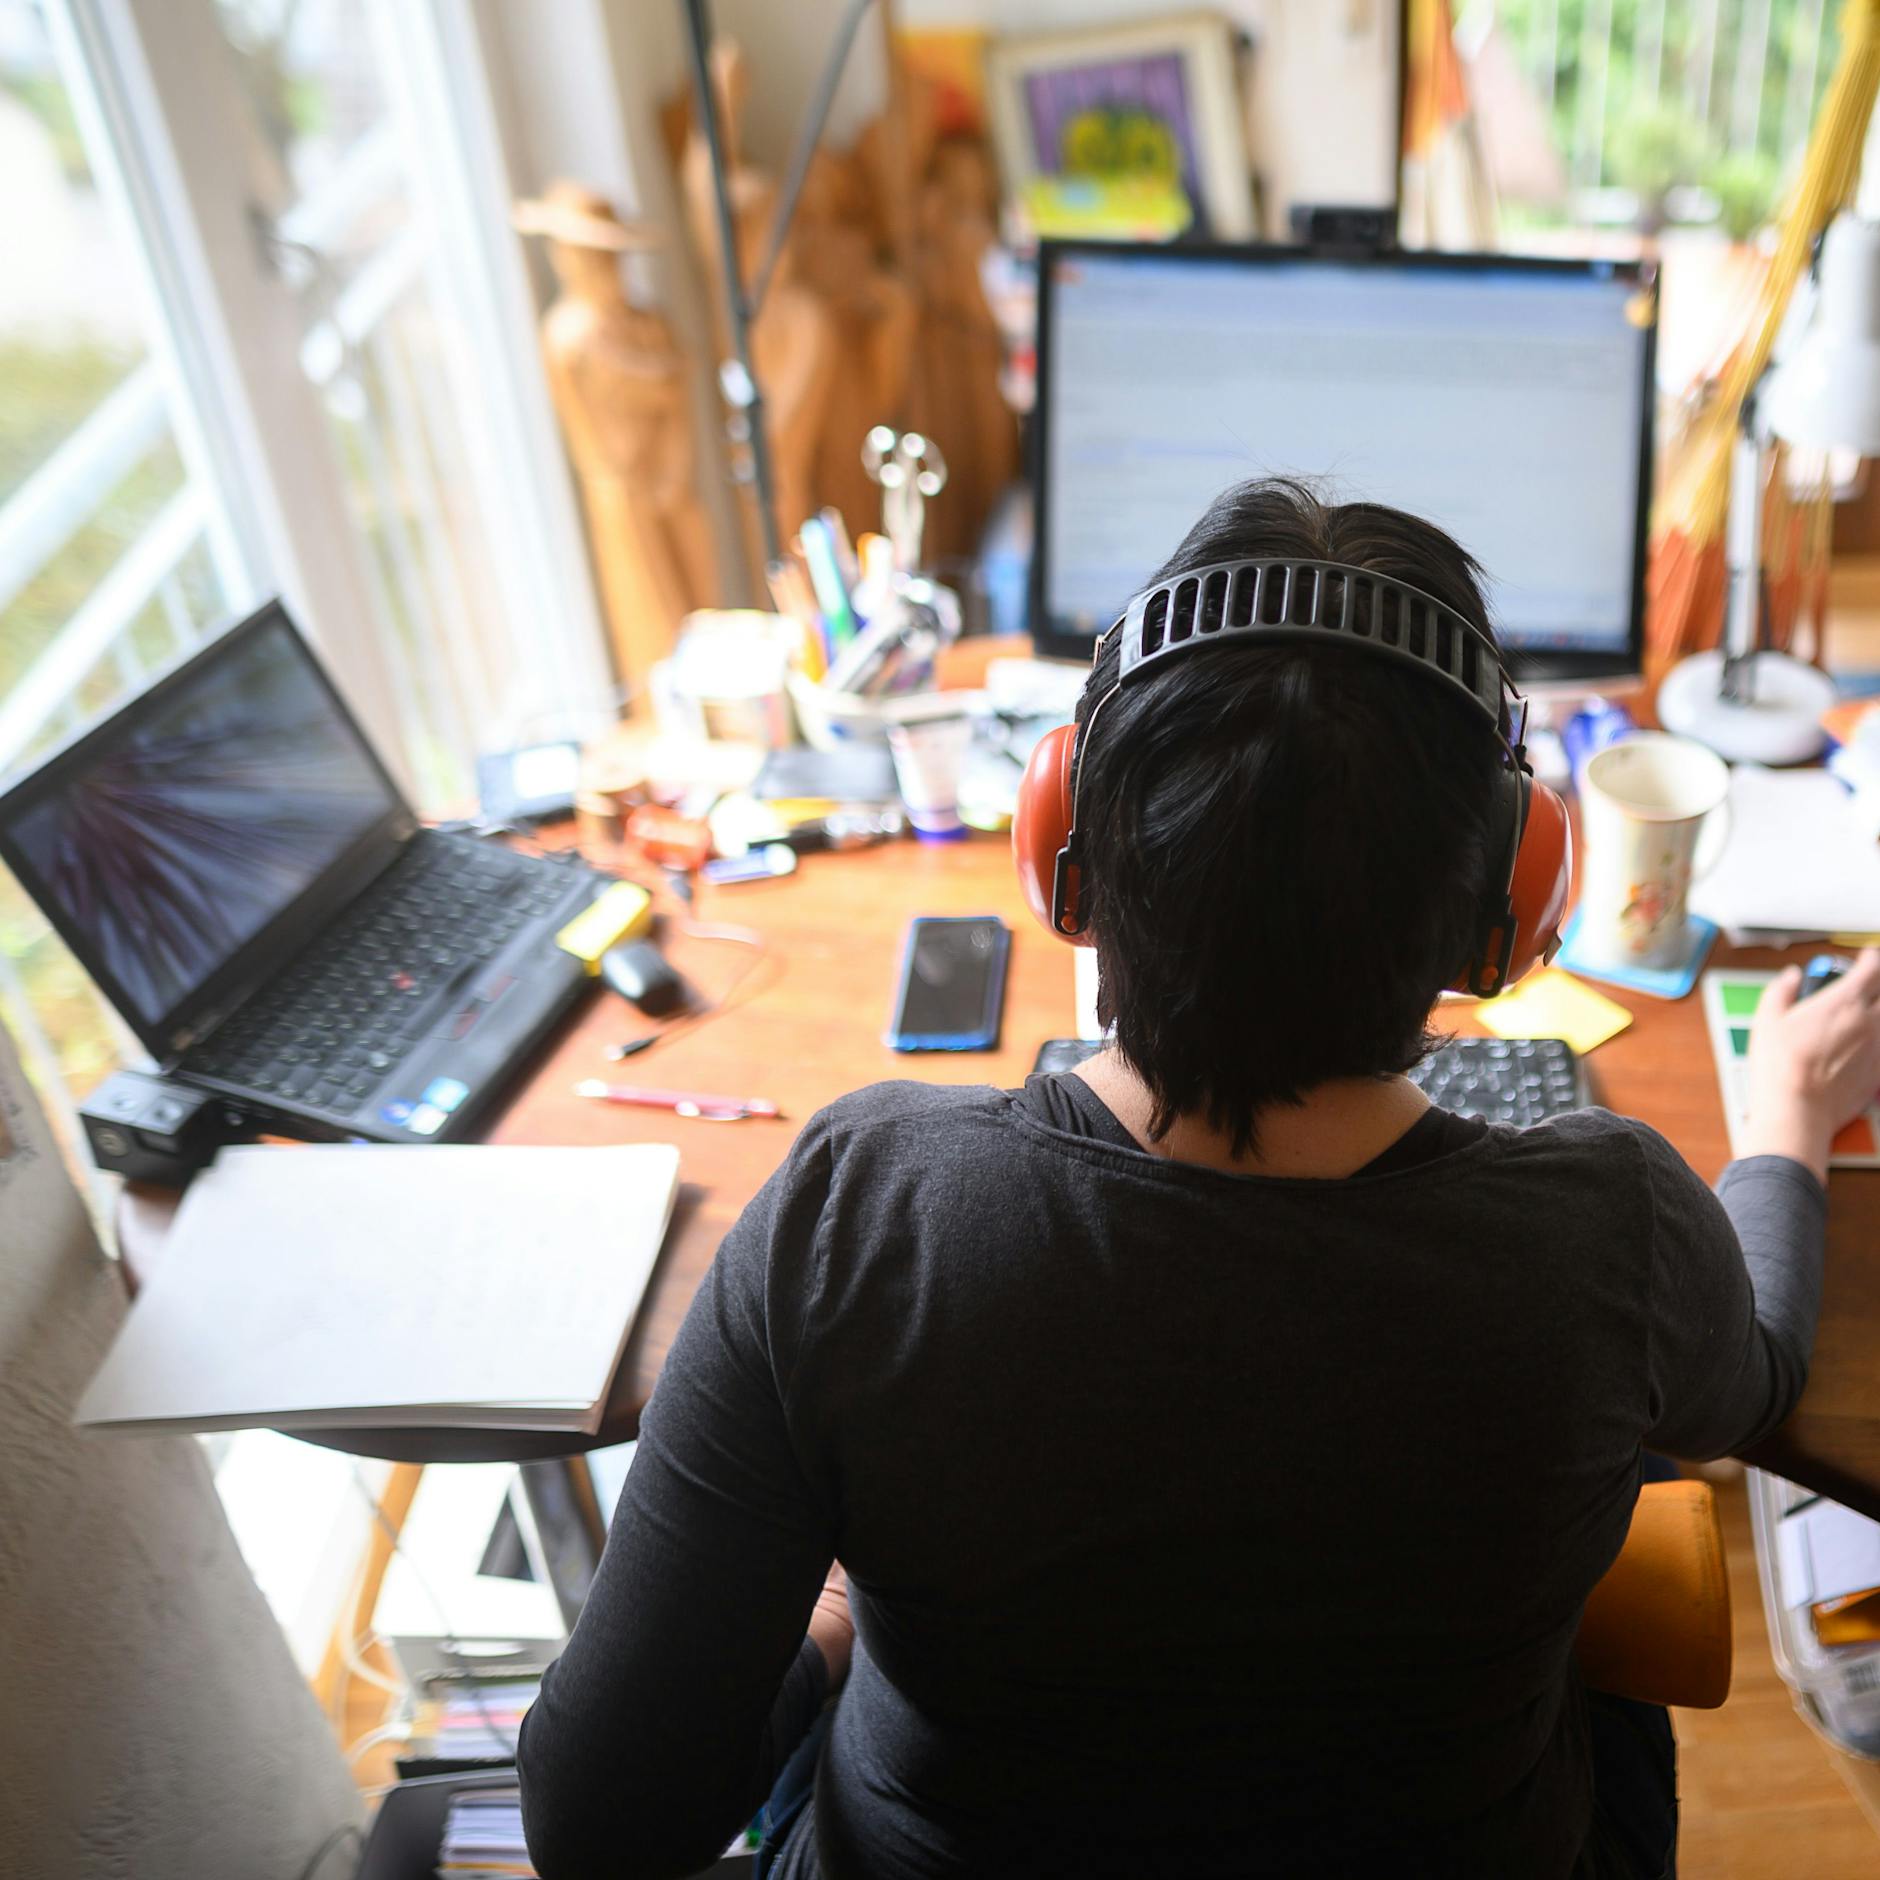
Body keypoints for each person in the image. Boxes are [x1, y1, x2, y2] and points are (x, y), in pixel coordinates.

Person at [516, 479, 1880, 1877]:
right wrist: (1782, 1113)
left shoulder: (857, 1214)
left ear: (1067, 852)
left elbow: (598, 1827)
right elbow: (1756, 1375)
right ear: (1511, 910)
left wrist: (831, 1626)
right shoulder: (1613, 1232)